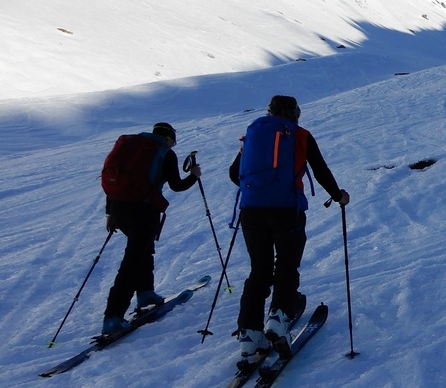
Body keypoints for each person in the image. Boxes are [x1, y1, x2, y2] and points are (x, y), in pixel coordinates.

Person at [228, 95, 349, 362]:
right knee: (286, 264)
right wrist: (338, 194)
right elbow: (320, 169)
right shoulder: (301, 135)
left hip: (251, 211)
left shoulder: (253, 133)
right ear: (295, 112)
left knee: (259, 269)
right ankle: (278, 318)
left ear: (270, 111)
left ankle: (249, 334)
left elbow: (234, 174)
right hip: (286, 210)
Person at [102, 122, 201, 334]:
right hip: (143, 210)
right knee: (133, 260)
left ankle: (146, 292)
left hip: (119, 208)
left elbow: (116, 180)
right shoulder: (164, 153)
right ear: (168, 139)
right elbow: (176, 185)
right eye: (172, 142)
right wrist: (194, 175)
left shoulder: (130, 148)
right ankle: (113, 316)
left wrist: (110, 212)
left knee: (142, 249)